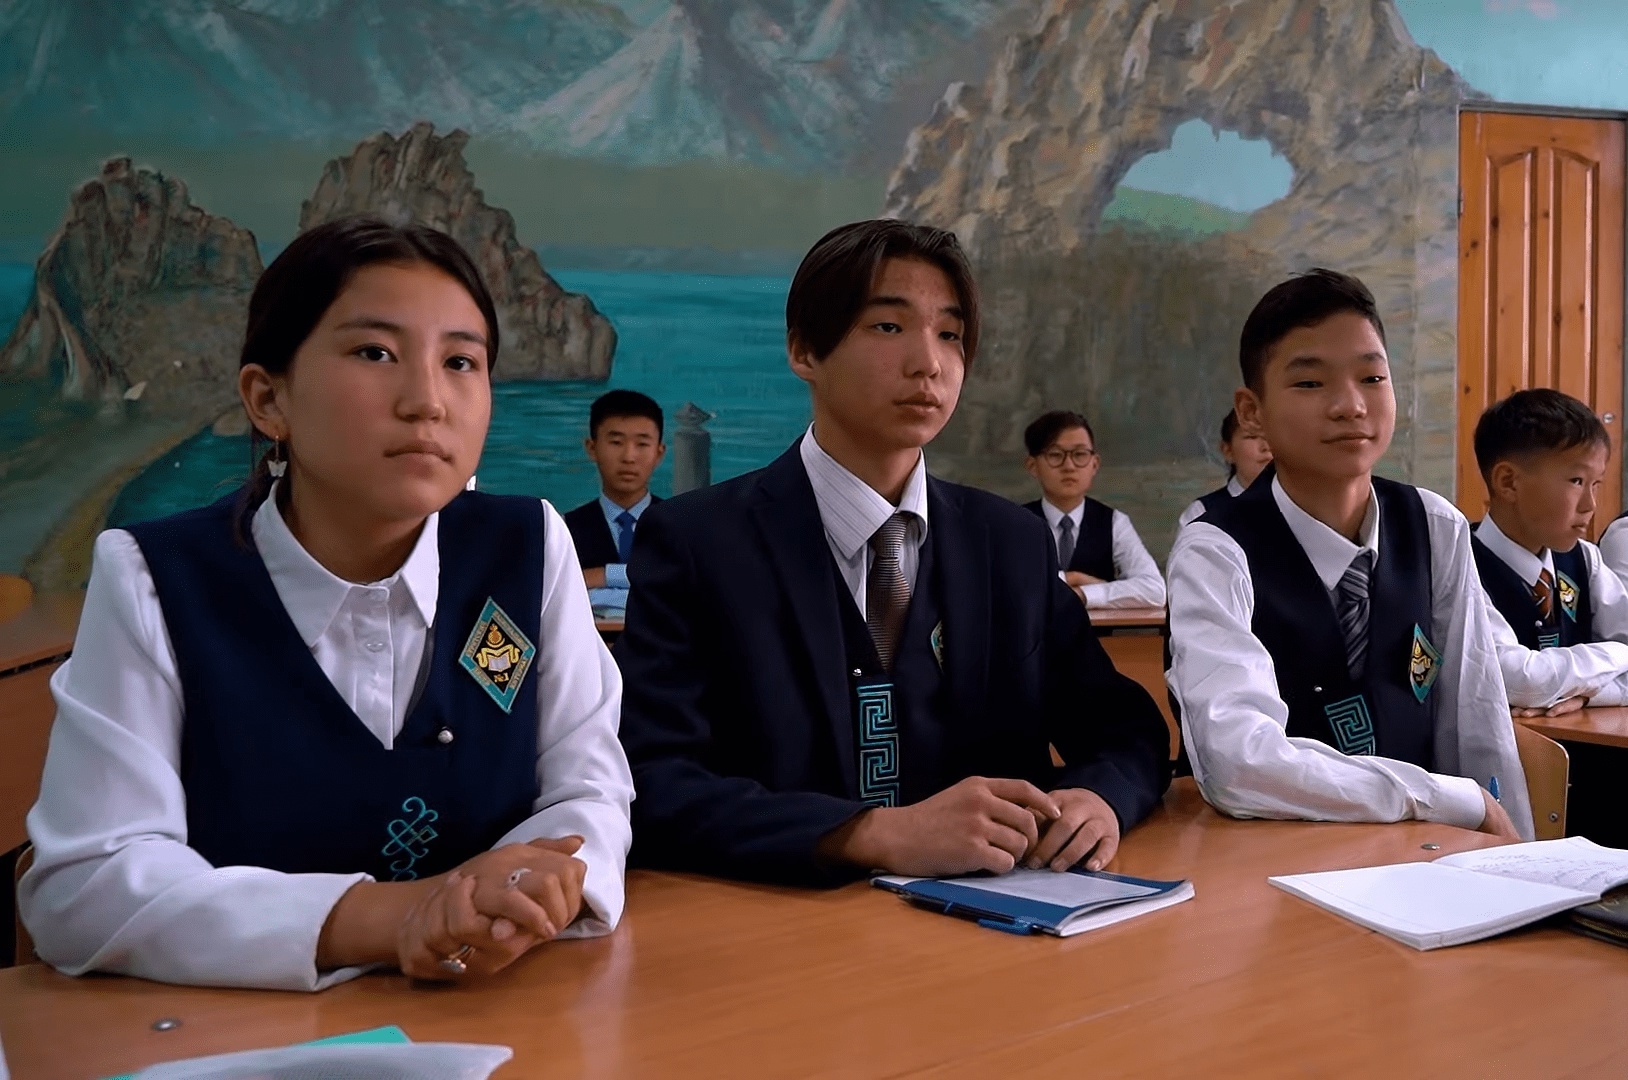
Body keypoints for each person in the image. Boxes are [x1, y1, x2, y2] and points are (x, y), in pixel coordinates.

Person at [19, 217, 634, 990]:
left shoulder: (529, 547)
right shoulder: (157, 578)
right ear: (267, 398)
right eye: (375, 353)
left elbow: (588, 790)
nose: (428, 402)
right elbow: (86, 885)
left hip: (496, 1003)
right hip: (236, 1028)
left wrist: (521, 900)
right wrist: (397, 917)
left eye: (460, 362)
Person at [615, 219, 1171, 886]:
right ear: (804, 350)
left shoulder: (1010, 543)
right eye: (888, 326)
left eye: (950, 335)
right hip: (789, 924)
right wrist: (868, 834)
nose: (928, 363)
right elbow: (652, 779)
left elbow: (1124, 729)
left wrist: (1101, 797)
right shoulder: (698, 542)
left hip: (1001, 922)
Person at [1166, 268, 1532, 840]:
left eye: (1372, 377)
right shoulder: (1215, 549)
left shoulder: (1434, 525)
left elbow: (1475, 714)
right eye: (1311, 383)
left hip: (1418, 854)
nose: (1350, 405)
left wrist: (1510, 859)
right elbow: (1237, 761)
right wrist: (1438, 795)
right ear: (1251, 411)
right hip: (1268, 859)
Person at [1470, 388, 1628, 714]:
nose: (1591, 505)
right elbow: (1521, 679)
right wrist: (1620, 654)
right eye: (1576, 481)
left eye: (1596, 484)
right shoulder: (1460, 562)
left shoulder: (1583, 559)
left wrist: (1589, 695)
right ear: (1508, 482)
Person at [1020, 411, 1166, 609]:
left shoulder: (1114, 522)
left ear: (1094, 464)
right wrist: (1071, 578)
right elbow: (1005, 587)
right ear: (1032, 466)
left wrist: (1083, 593)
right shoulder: (1015, 523)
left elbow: (1155, 590)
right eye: (1055, 455)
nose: (1069, 466)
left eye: (1079, 454)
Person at [563, 390, 666, 613]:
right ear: (592, 448)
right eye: (616, 442)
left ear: (659, 453)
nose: (629, 457)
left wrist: (603, 575)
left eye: (642, 444)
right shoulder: (566, 529)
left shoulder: (681, 527)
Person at [1176, 410, 1273, 529]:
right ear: (1227, 450)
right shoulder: (1202, 513)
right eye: (1252, 436)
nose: (1266, 447)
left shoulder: (1294, 508)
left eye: (1274, 435)